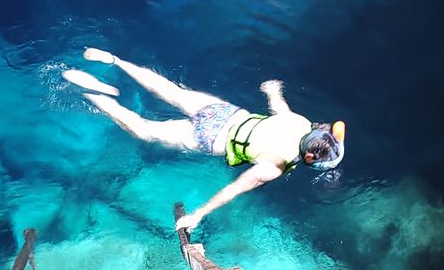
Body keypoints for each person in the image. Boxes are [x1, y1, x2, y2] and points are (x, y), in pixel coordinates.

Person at [63, 48, 345, 232]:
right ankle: (94, 96)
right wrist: (198, 214)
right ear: (309, 158)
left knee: (167, 89)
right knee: (144, 130)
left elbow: (277, 105)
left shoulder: (300, 122)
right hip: (209, 138)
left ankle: (115, 60)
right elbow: (234, 189)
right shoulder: (275, 166)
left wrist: (272, 89)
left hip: (224, 112)